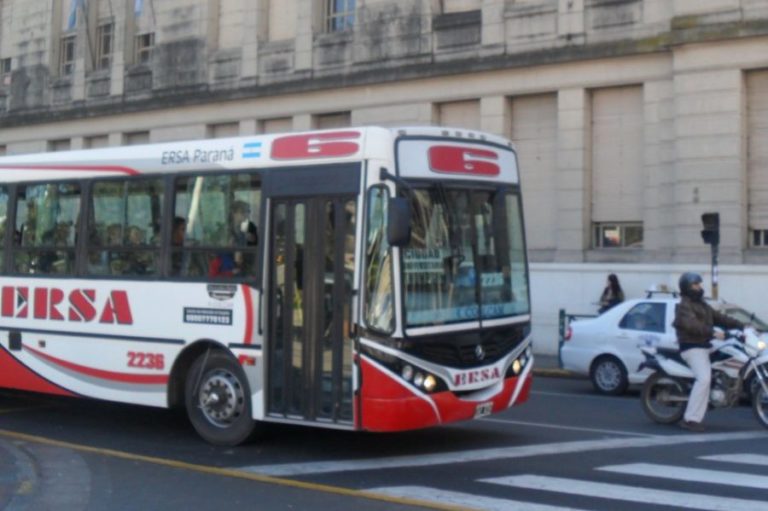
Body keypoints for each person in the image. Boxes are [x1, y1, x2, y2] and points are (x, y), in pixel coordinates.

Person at [673, 272, 744, 432]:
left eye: (699, 284)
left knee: (730, 353)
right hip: (692, 347)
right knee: (704, 379)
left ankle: (719, 390)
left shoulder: (702, 304)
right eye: (695, 284)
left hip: (704, 345)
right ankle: (690, 419)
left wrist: (741, 325)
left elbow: (719, 317)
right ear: (687, 287)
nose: (699, 287)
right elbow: (692, 325)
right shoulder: (684, 306)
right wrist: (713, 332)